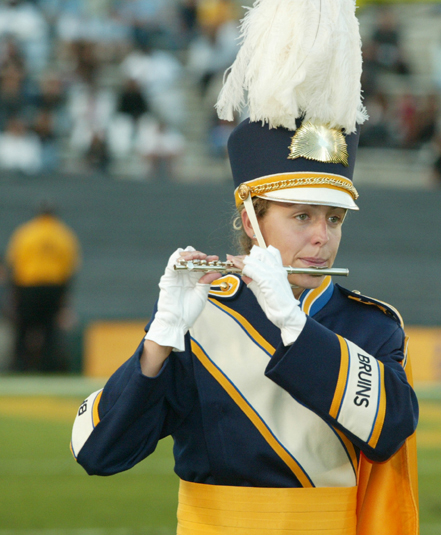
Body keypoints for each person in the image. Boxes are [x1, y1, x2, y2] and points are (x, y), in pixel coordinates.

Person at [71, 2, 419, 534]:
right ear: (250, 219)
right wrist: (161, 339)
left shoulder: (373, 326)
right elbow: (99, 451)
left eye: (333, 218)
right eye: (301, 216)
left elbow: (392, 427)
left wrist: (296, 329)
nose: (322, 237)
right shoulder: (202, 316)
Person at [5, 201, 81, 372]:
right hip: (53, 288)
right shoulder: (64, 234)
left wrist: (14, 293)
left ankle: (19, 366)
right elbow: (70, 268)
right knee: (50, 330)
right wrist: (64, 296)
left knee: (23, 328)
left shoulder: (25, 232)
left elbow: (14, 263)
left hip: (28, 287)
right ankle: (48, 367)